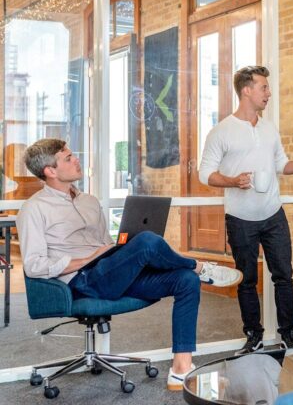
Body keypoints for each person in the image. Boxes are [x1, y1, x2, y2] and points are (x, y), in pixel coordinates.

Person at [17, 138, 243, 391]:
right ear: (50, 171)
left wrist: (117, 250)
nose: (76, 159)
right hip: (83, 280)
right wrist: (87, 259)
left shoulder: (88, 201)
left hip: (110, 272)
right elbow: (34, 265)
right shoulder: (34, 209)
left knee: (184, 280)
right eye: (68, 158)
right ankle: (199, 267)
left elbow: (105, 244)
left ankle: (181, 368)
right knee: (147, 241)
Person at [198, 65, 293, 353]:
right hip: (241, 218)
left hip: (273, 214)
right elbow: (205, 174)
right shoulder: (222, 131)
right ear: (247, 90)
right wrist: (233, 180)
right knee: (247, 278)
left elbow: (282, 164)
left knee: (284, 275)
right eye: (263, 87)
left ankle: (289, 333)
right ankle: (253, 335)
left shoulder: (269, 129)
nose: (268, 93)